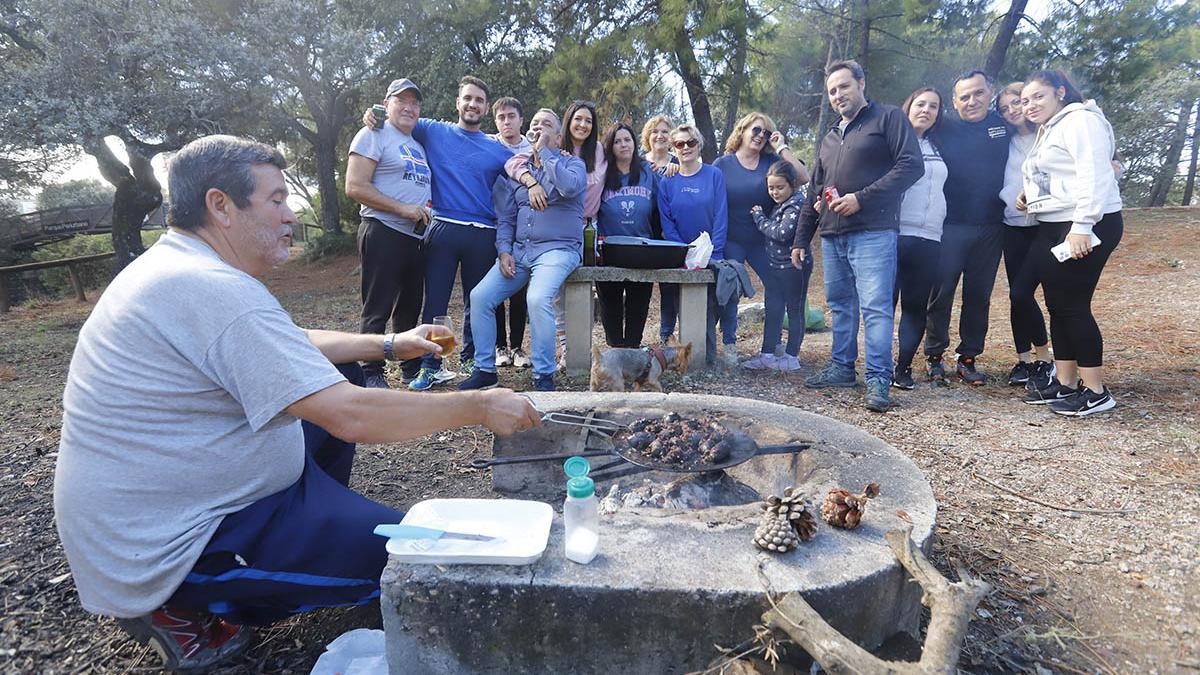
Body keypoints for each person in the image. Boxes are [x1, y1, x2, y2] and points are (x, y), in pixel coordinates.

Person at [52, 135, 540, 672]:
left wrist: (389, 344)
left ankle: (316, 522)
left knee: (340, 366)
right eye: (277, 200)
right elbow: (350, 414)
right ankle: (177, 607)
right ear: (221, 206)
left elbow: (285, 343)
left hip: (207, 488)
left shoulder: (183, 268)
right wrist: (478, 404)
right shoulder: (209, 288)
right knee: (411, 560)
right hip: (174, 541)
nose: (290, 215)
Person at [363, 76, 515, 391]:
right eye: (468, 98)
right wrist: (373, 113)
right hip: (443, 229)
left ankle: (473, 359)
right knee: (436, 303)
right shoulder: (433, 130)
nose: (473, 104)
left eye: (479, 100)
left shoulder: (495, 149)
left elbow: (523, 168)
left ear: (485, 109)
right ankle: (431, 364)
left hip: (482, 233)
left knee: (478, 301)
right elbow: (395, 115)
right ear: (458, 103)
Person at [791, 60, 923, 412]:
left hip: (874, 232)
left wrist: (861, 199)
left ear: (861, 84)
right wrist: (801, 239)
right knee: (840, 306)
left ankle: (879, 377)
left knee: (876, 309)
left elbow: (912, 166)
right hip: (833, 236)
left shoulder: (889, 118)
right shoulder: (831, 136)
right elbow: (814, 192)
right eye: (832, 91)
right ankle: (841, 367)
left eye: (844, 87)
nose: (838, 95)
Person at [1018, 69, 1123, 416]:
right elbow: (1060, 175)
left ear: (1060, 92)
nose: (1029, 105)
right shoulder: (1050, 128)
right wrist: (1030, 196)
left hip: (1084, 224)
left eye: (1038, 97)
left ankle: (1095, 390)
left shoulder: (1080, 120)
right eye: (1024, 100)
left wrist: (1081, 226)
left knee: (1074, 305)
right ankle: (1065, 382)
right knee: (1058, 305)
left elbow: (1095, 173)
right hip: (1052, 223)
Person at [460, 109, 587, 391]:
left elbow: (568, 188)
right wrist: (504, 251)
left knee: (537, 297)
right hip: (520, 252)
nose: (539, 128)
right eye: (535, 124)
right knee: (480, 297)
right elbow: (506, 218)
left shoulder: (573, 165)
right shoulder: (518, 170)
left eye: (547, 125)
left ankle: (543, 375)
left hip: (558, 250)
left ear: (558, 135)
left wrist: (547, 155)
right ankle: (484, 369)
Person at [924, 69, 1011, 385]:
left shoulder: (1005, 127)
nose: (971, 101)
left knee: (978, 296)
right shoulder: (942, 127)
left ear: (990, 92)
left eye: (978, 93)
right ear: (954, 101)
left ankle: (969, 357)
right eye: (964, 96)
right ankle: (934, 356)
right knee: (941, 293)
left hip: (991, 226)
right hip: (949, 226)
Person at [505, 99, 606, 371]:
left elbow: (629, 158)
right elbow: (514, 164)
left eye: (588, 121)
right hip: (556, 231)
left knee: (585, 291)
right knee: (557, 295)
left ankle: (582, 351)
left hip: (588, 226)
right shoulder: (549, 146)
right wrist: (532, 180)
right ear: (567, 123)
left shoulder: (598, 152)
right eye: (578, 119)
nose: (583, 125)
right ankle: (565, 350)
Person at [345, 78, 432, 389]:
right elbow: (355, 186)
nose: (409, 107)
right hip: (383, 230)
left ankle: (409, 368)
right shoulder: (373, 133)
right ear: (387, 104)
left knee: (409, 308)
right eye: (401, 101)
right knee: (377, 307)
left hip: (415, 237)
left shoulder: (417, 144)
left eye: (414, 102)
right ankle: (371, 371)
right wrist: (402, 208)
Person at [713, 112, 810, 368]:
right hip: (732, 239)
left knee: (776, 287)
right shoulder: (723, 164)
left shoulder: (771, 161)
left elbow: (802, 177)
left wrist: (781, 147)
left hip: (764, 240)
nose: (760, 136)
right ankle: (730, 345)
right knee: (729, 289)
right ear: (742, 130)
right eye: (756, 130)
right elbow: (705, 188)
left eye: (766, 133)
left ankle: (772, 346)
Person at [996, 81, 1055, 390]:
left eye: (1017, 103)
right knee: (1016, 297)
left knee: (1023, 292)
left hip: (1044, 226)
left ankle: (1046, 360)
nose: (1012, 111)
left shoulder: (1048, 134)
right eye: (1005, 108)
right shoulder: (1003, 142)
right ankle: (1025, 361)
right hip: (1012, 226)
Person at [891, 86, 948, 390]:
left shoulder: (940, 147)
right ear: (909, 107)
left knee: (915, 307)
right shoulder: (893, 143)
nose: (926, 110)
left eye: (934, 106)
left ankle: (903, 368)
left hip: (930, 237)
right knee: (886, 304)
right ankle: (879, 365)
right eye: (921, 104)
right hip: (895, 234)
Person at [658, 124, 729, 365]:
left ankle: (705, 356)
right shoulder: (667, 181)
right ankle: (667, 353)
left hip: (711, 254)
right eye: (679, 144)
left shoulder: (713, 175)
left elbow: (721, 215)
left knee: (709, 307)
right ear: (673, 148)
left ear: (699, 145)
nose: (685, 147)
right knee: (670, 301)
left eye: (691, 143)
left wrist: (713, 251)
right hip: (678, 254)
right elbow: (666, 221)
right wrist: (683, 252)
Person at [595, 122, 660, 347]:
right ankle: (615, 352)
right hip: (609, 251)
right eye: (617, 141)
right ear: (610, 147)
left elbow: (662, 208)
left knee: (638, 305)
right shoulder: (602, 174)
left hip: (643, 250)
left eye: (627, 140)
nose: (623, 144)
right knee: (610, 305)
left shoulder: (649, 173)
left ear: (635, 143)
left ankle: (632, 352)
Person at [746, 160, 811, 371]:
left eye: (780, 187)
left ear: (792, 184)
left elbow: (782, 233)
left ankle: (792, 357)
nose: (774, 192)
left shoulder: (796, 203)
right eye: (771, 187)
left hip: (795, 269)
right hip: (776, 268)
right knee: (773, 309)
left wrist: (759, 218)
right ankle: (767, 354)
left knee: (794, 310)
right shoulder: (781, 204)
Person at [489, 96, 533, 369]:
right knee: (494, 286)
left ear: (520, 119)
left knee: (519, 286)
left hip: (523, 227)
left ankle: (517, 346)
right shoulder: (489, 146)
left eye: (511, 116)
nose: (507, 121)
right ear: (496, 122)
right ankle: (499, 346)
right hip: (492, 222)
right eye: (501, 117)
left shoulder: (531, 149)